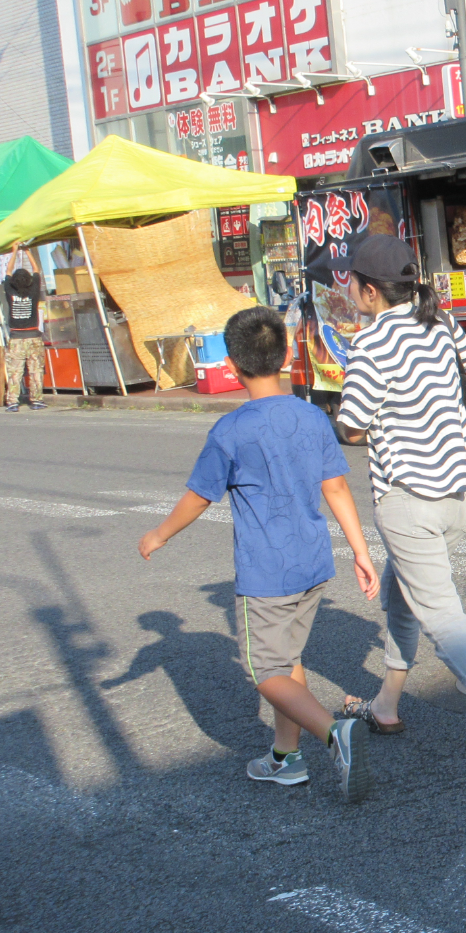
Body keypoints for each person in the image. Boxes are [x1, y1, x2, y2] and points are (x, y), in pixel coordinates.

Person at [137, 306, 379, 801]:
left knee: (264, 669)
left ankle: (333, 732)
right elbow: (335, 488)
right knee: (287, 659)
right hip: (313, 564)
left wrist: (159, 535)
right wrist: (361, 551)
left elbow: (199, 496)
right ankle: (284, 758)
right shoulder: (312, 416)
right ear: (287, 355)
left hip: (266, 572)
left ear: (232, 364)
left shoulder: (231, 430)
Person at [328, 234, 466, 761]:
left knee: (442, 615)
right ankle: (387, 704)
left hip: (408, 497)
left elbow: (351, 427)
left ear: (370, 291)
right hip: (460, 491)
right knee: (404, 595)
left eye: (351, 280)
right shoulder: (441, 323)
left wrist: (365, 416)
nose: (348, 286)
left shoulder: (371, 342)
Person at [2, 267, 47, 412]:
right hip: (33, 336)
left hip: (16, 338)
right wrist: (27, 252)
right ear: (29, 281)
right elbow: (37, 271)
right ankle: (36, 400)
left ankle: (13, 402)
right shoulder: (33, 291)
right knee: (36, 371)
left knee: (15, 372)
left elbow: (8, 272)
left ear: (13, 282)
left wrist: (14, 251)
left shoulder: (10, 291)